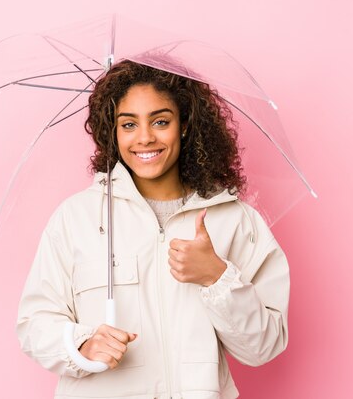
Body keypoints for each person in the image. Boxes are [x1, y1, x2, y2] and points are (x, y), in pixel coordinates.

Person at [17, 58, 290, 399]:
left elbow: (263, 347)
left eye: (160, 121)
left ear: (185, 125)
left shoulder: (235, 220)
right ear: (112, 132)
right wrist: (80, 344)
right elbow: (34, 323)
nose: (144, 138)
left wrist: (216, 277)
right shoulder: (76, 218)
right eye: (128, 125)